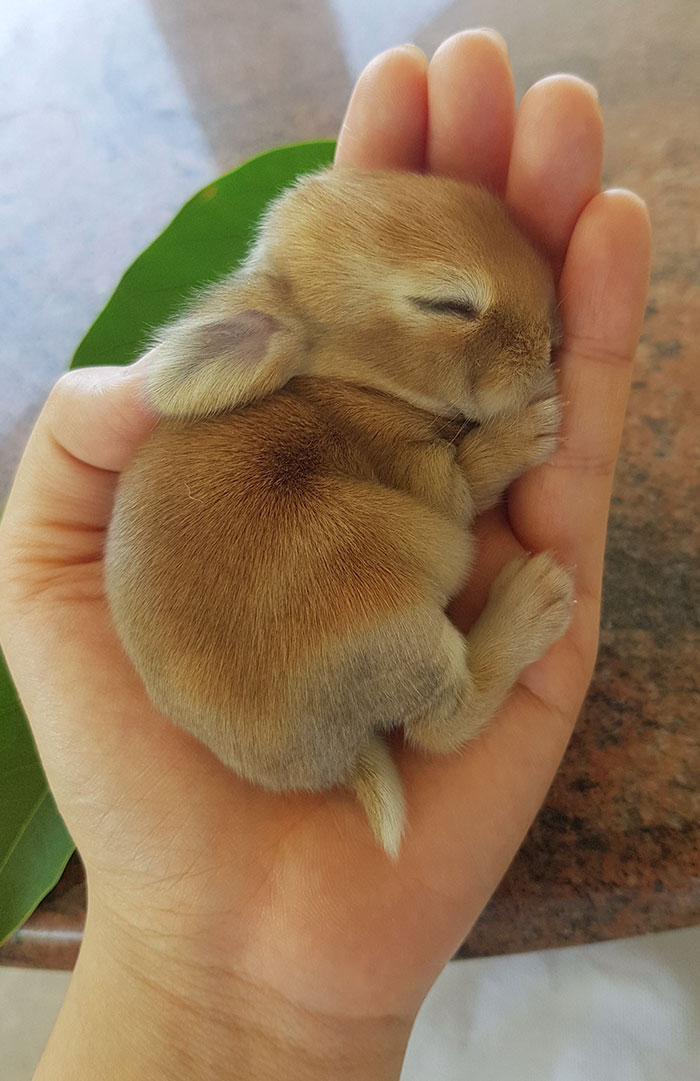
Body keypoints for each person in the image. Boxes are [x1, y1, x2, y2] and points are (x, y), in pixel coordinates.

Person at [0, 30, 650, 1081]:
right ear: (271, 334)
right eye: (451, 308)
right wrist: (472, 464)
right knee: (379, 571)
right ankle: (459, 687)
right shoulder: (290, 376)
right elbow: (427, 504)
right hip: (295, 668)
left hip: (292, 649)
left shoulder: (336, 400)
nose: (538, 353)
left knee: (386, 551)